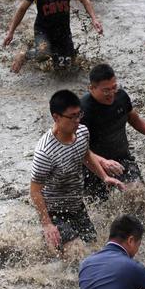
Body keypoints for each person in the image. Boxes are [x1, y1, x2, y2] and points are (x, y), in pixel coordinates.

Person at [30, 90, 125, 258]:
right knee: (76, 254)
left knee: (94, 248)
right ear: (56, 117)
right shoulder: (44, 152)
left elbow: (86, 154)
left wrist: (104, 176)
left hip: (76, 205)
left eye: (79, 114)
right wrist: (47, 224)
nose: (77, 120)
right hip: (55, 211)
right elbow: (35, 191)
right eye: (72, 116)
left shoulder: (82, 132)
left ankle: (55, 247)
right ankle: (50, 241)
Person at [81, 64, 145, 200]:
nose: (111, 94)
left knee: (137, 194)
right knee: (101, 207)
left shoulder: (121, 97)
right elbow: (78, 148)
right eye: (105, 90)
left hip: (122, 159)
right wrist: (104, 162)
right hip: (92, 166)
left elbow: (135, 120)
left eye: (113, 87)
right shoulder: (82, 110)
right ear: (91, 88)